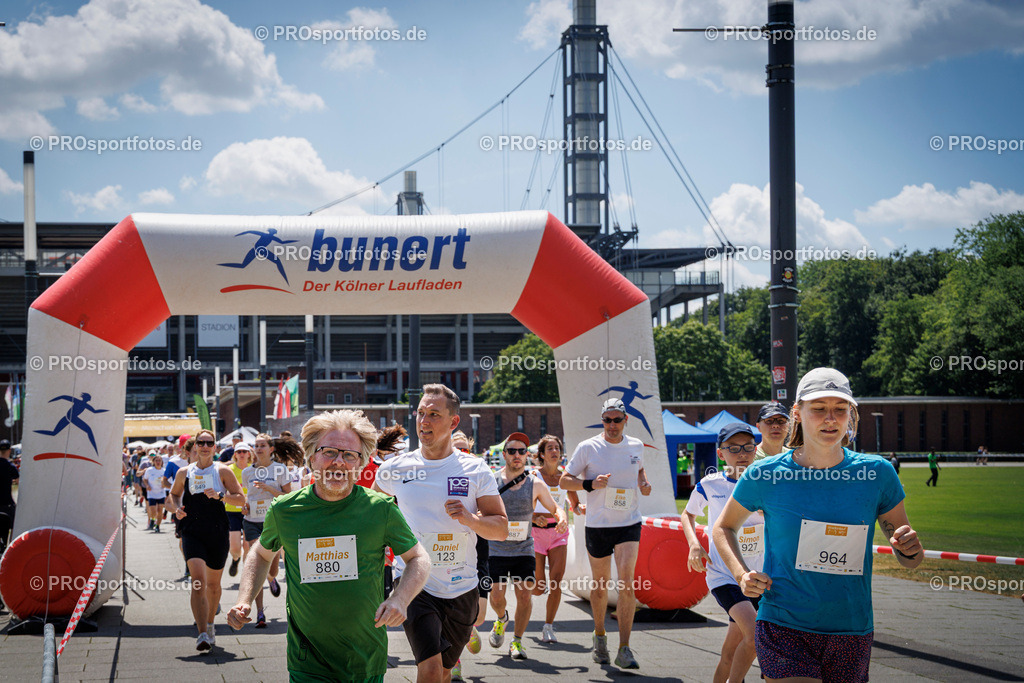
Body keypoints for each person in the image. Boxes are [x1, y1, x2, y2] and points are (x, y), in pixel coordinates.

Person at [713, 367, 923, 682]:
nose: (830, 418)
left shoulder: (877, 474)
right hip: (784, 624)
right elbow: (722, 527)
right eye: (819, 409)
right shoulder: (765, 473)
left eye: (840, 410)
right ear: (798, 413)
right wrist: (742, 575)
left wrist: (908, 547)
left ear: (851, 414)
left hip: (851, 628)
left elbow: (911, 559)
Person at [227, 409, 431, 682]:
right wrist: (244, 601)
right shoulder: (286, 510)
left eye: (349, 455)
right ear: (312, 457)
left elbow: (418, 557)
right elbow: (261, 555)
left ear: (361, 463)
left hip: (365, 658)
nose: (339, 462)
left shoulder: (380, 509)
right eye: (330, 452)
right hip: (308, 660)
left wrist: (400, 599)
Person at [373, 384, 508, 683]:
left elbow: (501, 528)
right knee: (431, 669)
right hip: (415, 582)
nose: (424, 421)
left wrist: (471, 518)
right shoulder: (396, 468)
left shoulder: (476, 469)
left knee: (445, 672)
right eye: (421, 413)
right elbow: (373, 516)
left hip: (463, 585)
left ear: (453, 422)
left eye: (434, 414)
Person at [560, 397, 652, 670]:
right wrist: (590, 484)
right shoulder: (588, 447)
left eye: (617, 420)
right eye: (607, 420)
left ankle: (624, 648)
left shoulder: (635, 445)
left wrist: (644, 483)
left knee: (626, 582)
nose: (612, 425)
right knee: (599, 585)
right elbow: (566, 480)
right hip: (598, 525)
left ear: (626, 420)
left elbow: (640, 470)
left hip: (628, 523)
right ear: (602, 421)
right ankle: (600, 635)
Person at [681, 424, 763, 683]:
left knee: (730, 653)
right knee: (754, 635)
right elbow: (688, 513)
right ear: (720, 453)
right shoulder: (711, 484)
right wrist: (694, 544)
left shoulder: (765, 484)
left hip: (759, 578)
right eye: (734, 448)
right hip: (725, 576)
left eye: (749, 447)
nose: (743, 453)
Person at [486, 432, 566, 660]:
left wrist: (560, 518)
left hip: (523, 548)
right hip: (497, 548)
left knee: (524, 595)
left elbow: (555, 507)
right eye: (512, 451)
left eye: (522, 451)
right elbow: (478, 507)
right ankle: (501, 619)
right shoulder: (491, 481)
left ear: (527, 455)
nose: (517, 455)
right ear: (504, 455)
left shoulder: (534, 483)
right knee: (497, 597)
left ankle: (517, 641)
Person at [167, 428, 246, 652]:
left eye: (208, 442)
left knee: (213, 585)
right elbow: (171, 497)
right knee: (198, 581)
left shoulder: (222, 471)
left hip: (217, 532)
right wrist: (176, 509)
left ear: (214, 447)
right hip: (192, 531)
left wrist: (221, 496)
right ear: (194, 448)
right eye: (200, 443)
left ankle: (210, 625)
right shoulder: (184, 472)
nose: (204, 446)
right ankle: (201, 633)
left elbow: (241, 499)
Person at [531, 434, 580, 644]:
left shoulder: (564, 478)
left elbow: (574, 504)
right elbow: (521, 507)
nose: (554, 451)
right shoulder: (533, 476)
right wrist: (535, 516)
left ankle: (548, 626)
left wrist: (580, 509)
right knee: (538, 586)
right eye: (550, 448)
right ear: (542, 454)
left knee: (556, 581)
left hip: (558, 533)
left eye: (557, 448)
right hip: (535, 533)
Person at [240, 433, 293, 628]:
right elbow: (248, 496)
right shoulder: (247, 472)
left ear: (271, 449)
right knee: (255, 566)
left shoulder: (279, 469)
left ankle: (271, 578)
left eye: (263, 445)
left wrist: (269, 489)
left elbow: (288, 496)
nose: (259, 448)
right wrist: (245, 506)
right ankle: (260, 612)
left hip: (273, 521)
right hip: (251, 521)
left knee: (270, 567)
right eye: (256, 445)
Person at [225, 442, 253, 577]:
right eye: (239, 452)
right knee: (235, 548)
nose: (242, 454)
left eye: (244, 451)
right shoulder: (229, 470)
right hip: (231, 511)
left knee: (247, 546)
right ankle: (236, 559)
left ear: (249, 454)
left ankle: (246, 575)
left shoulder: (253, 469)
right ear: (235, 455)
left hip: (249, 511)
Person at [0, 439, 18, 554]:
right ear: (9, 450)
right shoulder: (11, 466)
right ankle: (11, 549)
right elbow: (17, 480)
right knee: (15, 526)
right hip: (7, 504)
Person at [142, 454, 167, 531]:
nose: (158, 462)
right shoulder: (149, 470)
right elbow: (144, 479)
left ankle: (157, 526)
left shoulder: (164, 471)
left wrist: (164, 485)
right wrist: (147, 485)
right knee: (153, 511)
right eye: (156, 460)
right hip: (152, 493)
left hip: (161, 493)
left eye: (159, 460)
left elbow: (167, 481)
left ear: (162, 462)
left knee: (160, 511)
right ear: (153, 462)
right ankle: (152, 519)